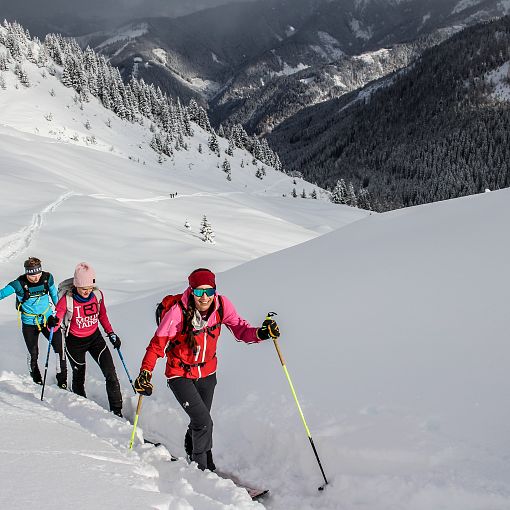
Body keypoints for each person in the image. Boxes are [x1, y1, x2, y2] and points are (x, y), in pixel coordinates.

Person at [134, 268, 280, 471]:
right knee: (203, 422)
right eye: (199, 292)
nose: (204, 297)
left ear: (215, 291)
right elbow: (157, 345)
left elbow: (241, 330)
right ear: (191, 290)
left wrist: (261, 333)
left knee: (201, 420)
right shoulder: (178, 312)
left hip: (207, 373)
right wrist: (145, 372)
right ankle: (201, 467)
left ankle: (197, 453)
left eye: (209, 292)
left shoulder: (222, 306)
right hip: (180, 373)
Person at [53, 262, 124, 417]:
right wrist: (53, 323)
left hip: (95, 338)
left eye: (89, 288)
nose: (87, 292)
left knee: (110, 373)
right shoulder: (67, 300)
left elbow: (102, 315)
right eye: (83, 288)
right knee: (79, 376)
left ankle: (117, 410)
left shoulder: (97, 296)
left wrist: (111, 333)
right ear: (76, 285)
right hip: (74, 343)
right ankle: (82, 406)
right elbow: (57, 320)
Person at [0, 257, 67, 388]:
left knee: (60, 349)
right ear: (26, 273)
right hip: (29, 323)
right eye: (32, 275)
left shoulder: (47, 278)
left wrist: (57, 314)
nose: (36, 278)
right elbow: (1, 294)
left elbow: (54, 296)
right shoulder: (18, 284)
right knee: (33, 352)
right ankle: (36, 380)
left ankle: (62, 380)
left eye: (38, 274)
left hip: (48, 320)